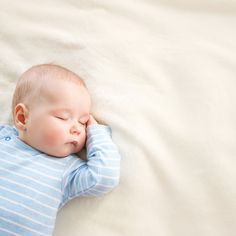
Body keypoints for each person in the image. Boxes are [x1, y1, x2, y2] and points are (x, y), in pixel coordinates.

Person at [0, 64, 121, 236]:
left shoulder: (68, 170)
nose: (77, 129)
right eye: (63, 117)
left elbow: (105, 177)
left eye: (83, 121)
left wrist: (96, 132)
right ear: (22, 117)